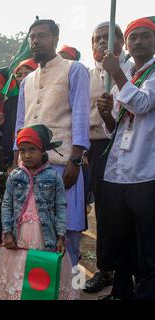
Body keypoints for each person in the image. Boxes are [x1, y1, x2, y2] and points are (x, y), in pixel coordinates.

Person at [14, 20, 91, 266]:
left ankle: (72, 290)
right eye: (32, 37)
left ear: (56, 39)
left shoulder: (74, 69)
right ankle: (41, 290)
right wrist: (17, 163)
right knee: (35, 231)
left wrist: (76, 160)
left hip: (63, 164)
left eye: (42, 36)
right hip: (30, 168)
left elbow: (80, 115)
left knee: (67, 232)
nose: (35, 41)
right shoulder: (27, 81)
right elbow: (20, 123)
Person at [98, 16, 155, 300]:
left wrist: (118, 76)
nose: (138, 42)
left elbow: (143, 104)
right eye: (133, 38)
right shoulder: (126, 74)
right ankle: (121, 290)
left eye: (145, 36)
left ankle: (147, 292)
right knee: (120, 237)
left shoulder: (152, 74)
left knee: (147, 240)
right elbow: (115, 130)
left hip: (145, 170)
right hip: (117, 171)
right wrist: (107, 116)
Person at [0, 125, 78, 300]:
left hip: (46, 236)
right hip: (19, 234)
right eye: (23, 151)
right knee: (18, 273)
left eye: (32, 150)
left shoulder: (54, 177)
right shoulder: (14, 176)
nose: (27, 155)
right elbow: (7, 205)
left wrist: (61, 236)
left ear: (43, 150)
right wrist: (7, 233)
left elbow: (61, 207)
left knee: (42, 277)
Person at [83, 22, 133, 294]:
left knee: (122, 211)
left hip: (122, 146)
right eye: (96, 39)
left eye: (107, 37)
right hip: (92, 148)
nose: (101, 43)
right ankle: (106, 268)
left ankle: (127, 271)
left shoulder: (131, 70)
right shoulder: (88, 75)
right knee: (101, 211)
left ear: (121, 42)